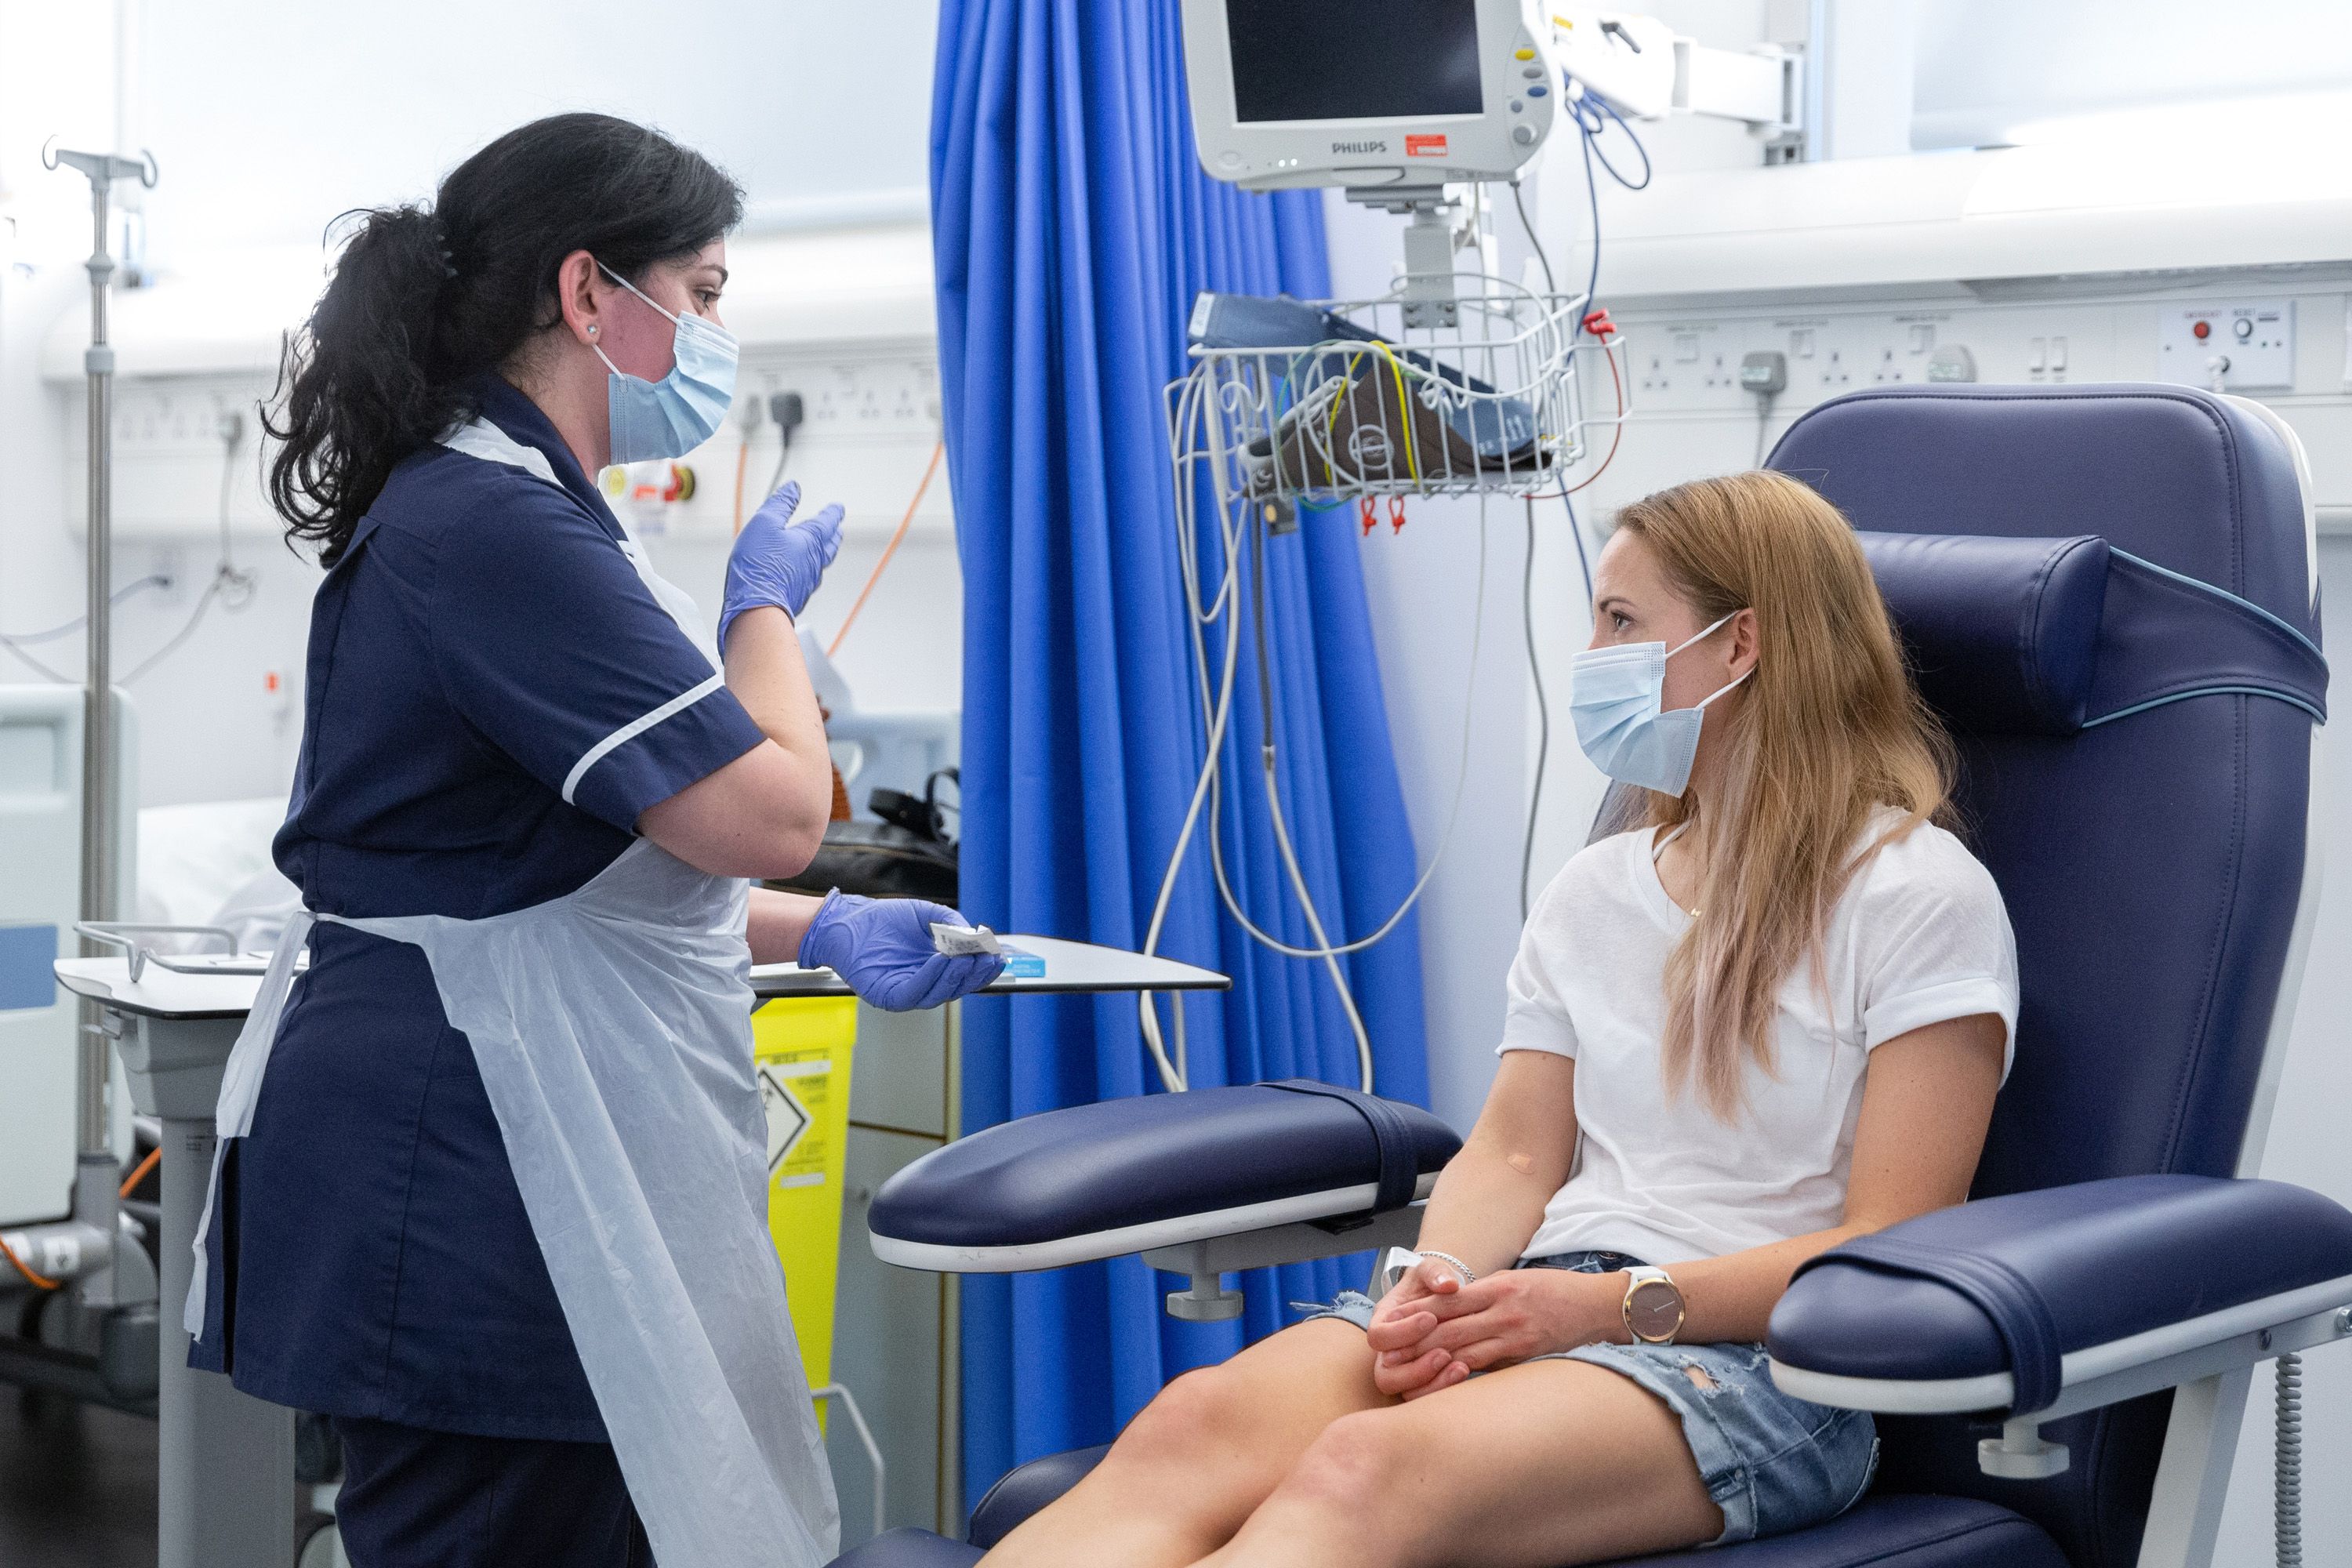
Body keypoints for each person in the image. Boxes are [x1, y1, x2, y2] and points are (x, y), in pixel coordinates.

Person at [187, 114, 1001, 1568]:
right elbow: (775, 816)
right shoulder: (493, 530)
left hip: (507, 1118)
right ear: (586, 295)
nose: (709, 335)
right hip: (476, 1169)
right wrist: (766, 618)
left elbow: (552, 886)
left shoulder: (512, 511)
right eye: (700, 295)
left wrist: (817, 931)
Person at [982, 470, 2020, 1567]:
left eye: (1623, 620)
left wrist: (1603, 1311)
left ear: (1740, 646)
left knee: (1361, 1473)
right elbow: (1516, 1153)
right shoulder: (1598, 889)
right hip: (1545, 1295)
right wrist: (1424, 1286)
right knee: (1188, 1425)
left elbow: (1887, 1244)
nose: (1592, 653)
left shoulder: (1915, 893)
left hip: (1762, 1362)